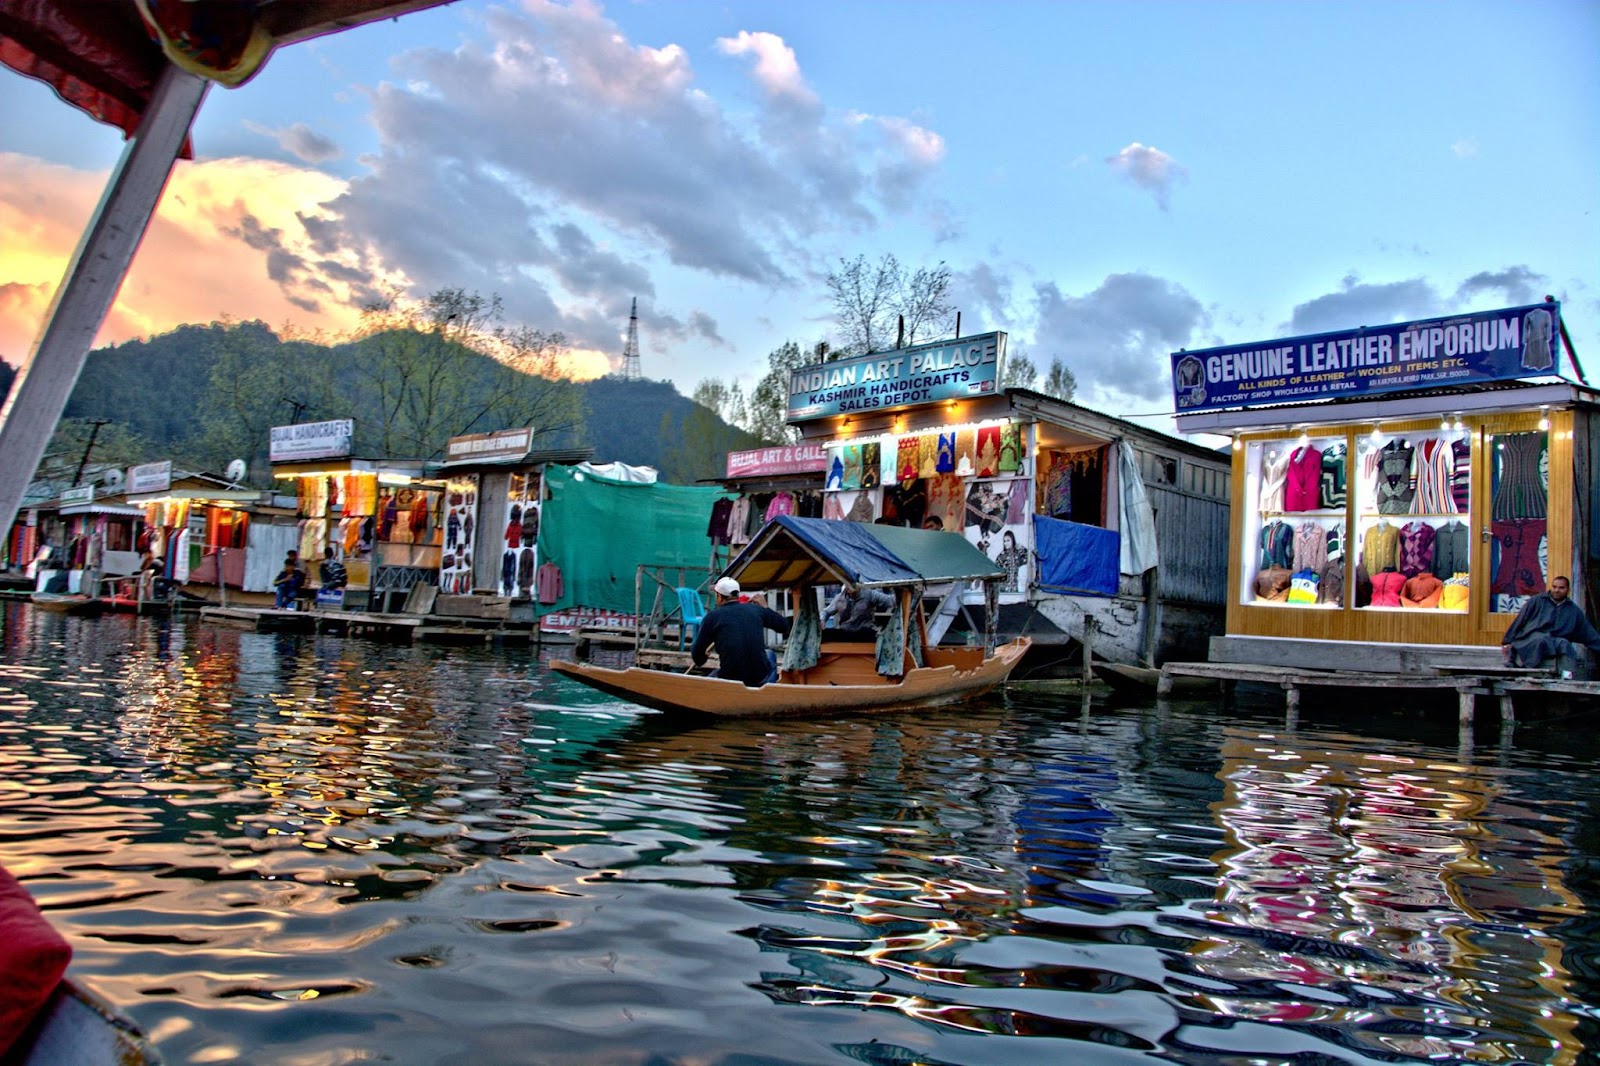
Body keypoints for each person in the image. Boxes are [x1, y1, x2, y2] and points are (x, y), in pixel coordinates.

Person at [691, 576, 791, 687]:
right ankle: (765, 690)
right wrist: (765, 607)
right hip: (758, 677)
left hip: (730, 677)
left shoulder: (712, 618)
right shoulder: (756, 610)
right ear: (736, 595)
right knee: (770, 655)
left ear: (719, 597)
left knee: (712, 677)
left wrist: (704, 656)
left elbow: (698, 659)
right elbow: (784, 626)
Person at [1501, 576, 1600, 673]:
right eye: (1554, 587)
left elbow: (1588, 633)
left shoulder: (1573, 610)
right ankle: (1526, 668)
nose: (1557, 590)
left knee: (1565, 645)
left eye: (1561, 588)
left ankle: (1566, 677)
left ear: (1568, 590)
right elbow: (1520, 620)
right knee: (1540, 640)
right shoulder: (1536, 601)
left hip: (1555, 640)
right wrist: (1507, 641)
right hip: (1531, 637)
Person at [823, 585, 894, 636]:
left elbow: (890, 600)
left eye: (853, 583)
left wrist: (898, 590)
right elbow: (826, 612)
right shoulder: (839, 598)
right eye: (848, 584)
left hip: (866, 632)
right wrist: (822, 620)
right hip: (846, 632)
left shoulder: (870, 594)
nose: (850, 587)